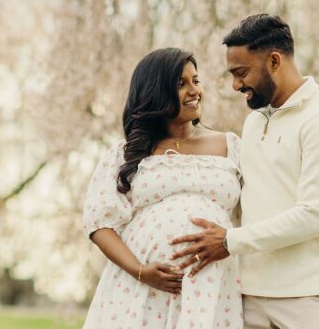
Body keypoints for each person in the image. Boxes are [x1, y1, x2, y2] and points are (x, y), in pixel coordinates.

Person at [170, 14, 319, 329]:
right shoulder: (254, 121)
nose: (236, 85)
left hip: (309, 296)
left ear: (274, 61)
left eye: (242, 73)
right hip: (251, 292)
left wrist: (230, 241)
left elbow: (314, 215)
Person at [81, 47, 244, 329]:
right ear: (156, 92)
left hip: (212, 286)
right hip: (141, 290)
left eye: (196, 80)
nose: (194, 90)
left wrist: (230, 243)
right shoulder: (126, 153)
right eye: (181, 84)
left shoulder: (230, 145)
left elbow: (256, 212)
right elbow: (99, 222)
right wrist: (141, 271)